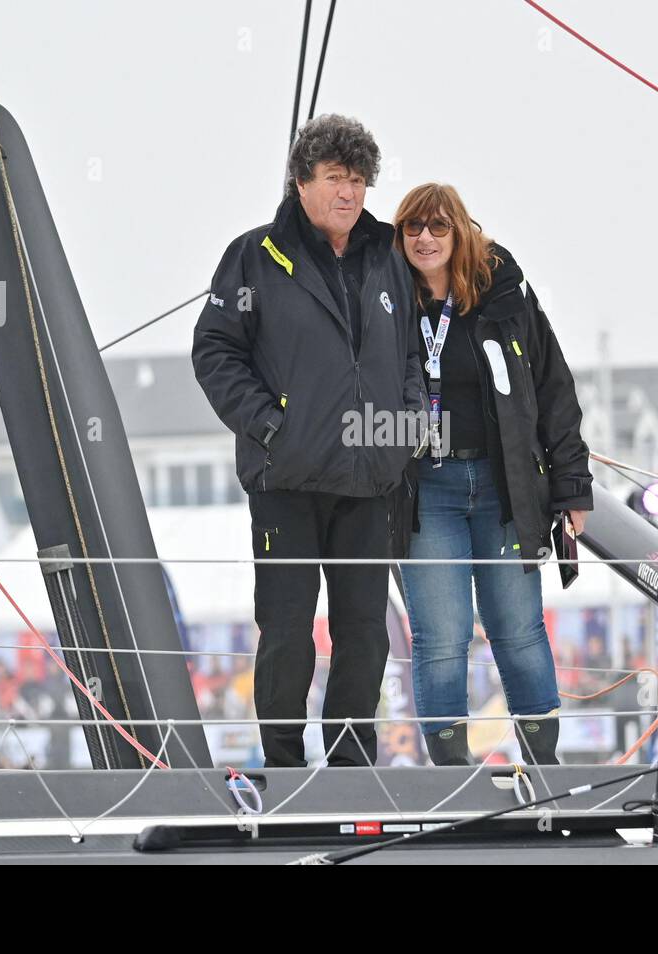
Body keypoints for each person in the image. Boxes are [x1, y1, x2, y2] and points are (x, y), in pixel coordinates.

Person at [192, 115, 427, 767]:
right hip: (286, 480)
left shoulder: (387, 257)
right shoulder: (255, 256)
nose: (348, 194)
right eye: (333, 179)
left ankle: (352, 763)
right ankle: (284, 762)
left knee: (364, 635)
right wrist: (271, 425)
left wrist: (403, 429)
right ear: (301, 182)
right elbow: (214, 350)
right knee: (289, 632)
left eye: (357, 180)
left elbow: (410, 352)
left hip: (369, 481)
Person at [391, 183, 593, 765]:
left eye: (438, 227)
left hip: (503, 486)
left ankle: (544, 765)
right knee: (442, 635)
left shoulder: (504, 294)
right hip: (427, 490)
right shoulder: (389, 304)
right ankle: (450, 776)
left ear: (460, 233)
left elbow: (553, 388)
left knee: (518, 627)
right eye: (412, 228)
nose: (425, 238)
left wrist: (572, 486)